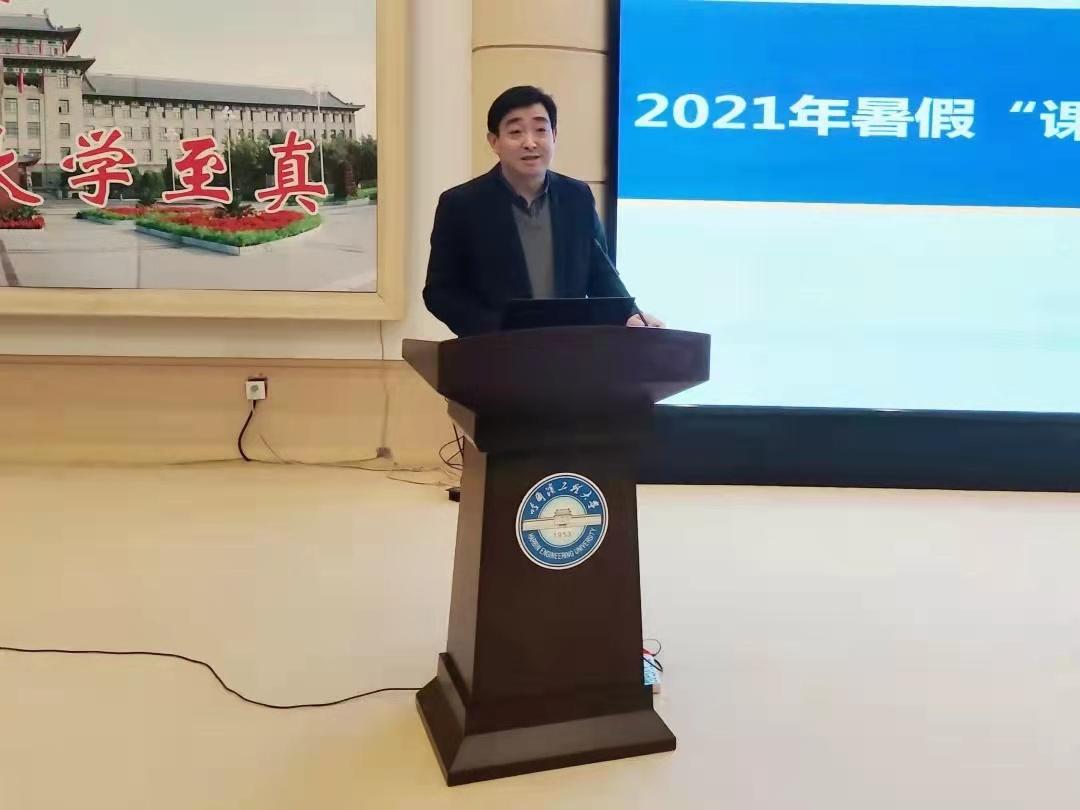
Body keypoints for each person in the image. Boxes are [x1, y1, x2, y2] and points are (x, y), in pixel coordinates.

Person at [423, 85, 663, 338]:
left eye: (540, 130)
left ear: (554, 135)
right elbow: (440, 292)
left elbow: (600, 272)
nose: (530, 143)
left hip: (567, 348)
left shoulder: (577, 196)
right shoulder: (461, 204)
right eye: (515, 132)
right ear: (494, 142)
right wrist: (492, 330)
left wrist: (630, 315)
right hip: (494, 351)